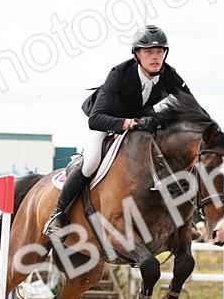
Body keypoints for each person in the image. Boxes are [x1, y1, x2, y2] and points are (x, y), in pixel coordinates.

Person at [44, 24, 192, 236]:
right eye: (149, 52)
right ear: (137, 55)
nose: (155, 57)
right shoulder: (119, 74)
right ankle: (58, 213)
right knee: (91, 162)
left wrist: (212, 129)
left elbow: (192, 105)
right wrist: (131, 124)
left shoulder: (169, 74)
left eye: (160, 51)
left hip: (140, 123)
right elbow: (96, 119)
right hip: (107, 121)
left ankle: (180, 220)